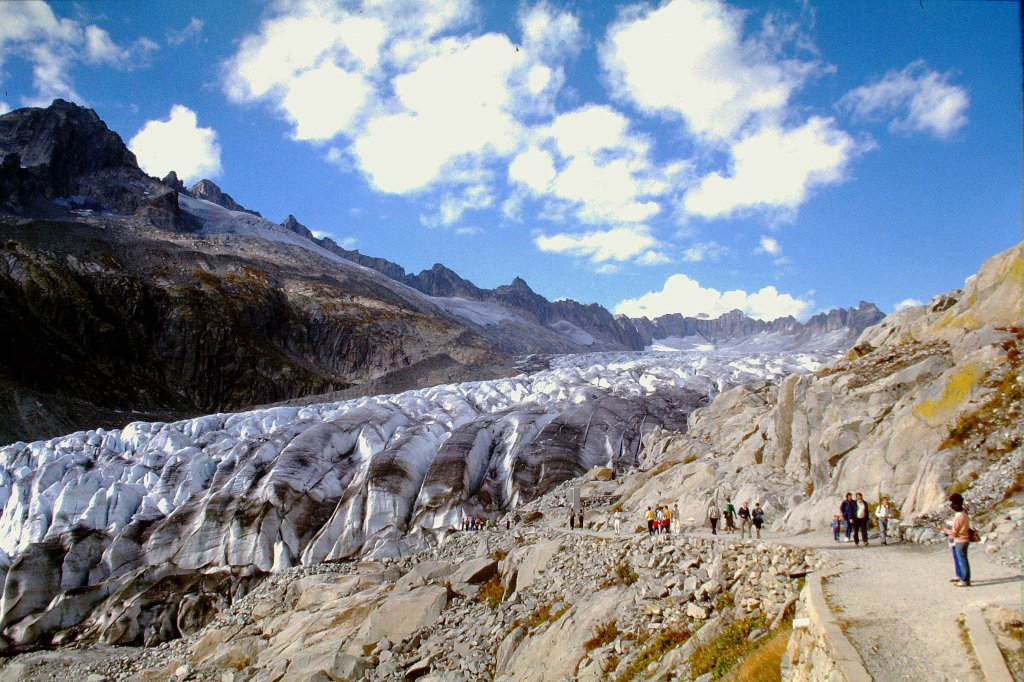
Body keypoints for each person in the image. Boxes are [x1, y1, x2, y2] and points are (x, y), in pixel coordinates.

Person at [941, 493, 971, 587]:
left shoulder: (959, 517)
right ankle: (961, 577)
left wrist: (944, 529)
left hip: (960, 540)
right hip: (964, 539)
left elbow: (954, 532)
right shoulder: (964, 513)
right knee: (961, 559)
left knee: (962, 560)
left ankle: (964, 580)